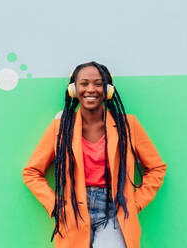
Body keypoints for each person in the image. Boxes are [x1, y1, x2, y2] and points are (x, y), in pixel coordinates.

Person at [22, 61, 167, 248]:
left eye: (98, 83)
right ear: (74, 89)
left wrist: (134, 203)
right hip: (74, 211)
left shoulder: (128, 125)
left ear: (108, 90)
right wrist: (56, 206)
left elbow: (156, 168)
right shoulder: (60, 128)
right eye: (84, 83)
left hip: (114, 210)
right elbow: (32, 172)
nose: (91, 89)